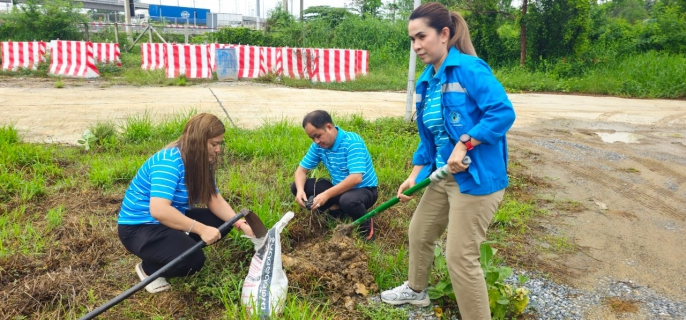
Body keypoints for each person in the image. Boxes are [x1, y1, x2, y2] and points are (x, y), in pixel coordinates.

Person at [380, 3, 516, 319]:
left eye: (421, 37)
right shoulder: (427, 81)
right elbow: (431, 137)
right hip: (443, 175)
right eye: (412, 40)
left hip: (476, 179)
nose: (416, 46)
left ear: (444, 34)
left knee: (460, 257)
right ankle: (416, 292)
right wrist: (415, 174)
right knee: (420, 232)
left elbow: (503, 112)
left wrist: (467, 141)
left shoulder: (470, 69)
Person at [117, 113, 254, 293]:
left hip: (170, 218)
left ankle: (175, 245)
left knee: (224, 223)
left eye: (219, 143)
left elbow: (214, 198)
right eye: (214, 144)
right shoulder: (169, 162)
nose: (218, 149)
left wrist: (241, 223)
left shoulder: (200, 162)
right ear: (198, 141)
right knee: (192, 261)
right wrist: (202, 229)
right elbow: (159, 210)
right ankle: (150, 269)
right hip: (141, 227)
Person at [291, 110, 379, 241]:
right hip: (339, 188)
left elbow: (356, 178)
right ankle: (337, 209)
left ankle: (365, 223)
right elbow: (300, 171)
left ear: (329, 127)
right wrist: (299, 191)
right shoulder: (319, 146)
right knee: (298, 186)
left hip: (364, 191)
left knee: (349, 201)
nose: (316, 141)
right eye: (312, 138)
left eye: (318, 136)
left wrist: (326, 194)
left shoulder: (352, 142)